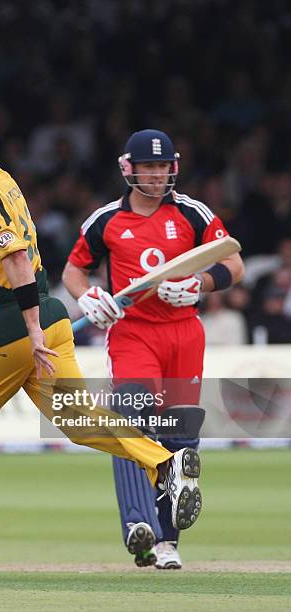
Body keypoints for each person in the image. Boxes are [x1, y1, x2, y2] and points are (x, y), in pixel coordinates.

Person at [0, 48, 202, 566]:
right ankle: (164, 464)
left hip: (12, 324)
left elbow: (14, 255)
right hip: (50, 314)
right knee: (80, 420)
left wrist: (31, 330)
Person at [63, 129, 245, 569]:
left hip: (183, 333)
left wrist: (198, 285)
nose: (158, 175)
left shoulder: (193, 213)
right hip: (133, 334)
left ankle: (167, 542)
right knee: (129, 422)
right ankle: (137, 526)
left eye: (164, 166)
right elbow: (74, 270)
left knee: (180, 437)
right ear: (130, 169)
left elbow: (233, 263)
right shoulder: (106, 220)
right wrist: (88, 297)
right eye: (149, 166)